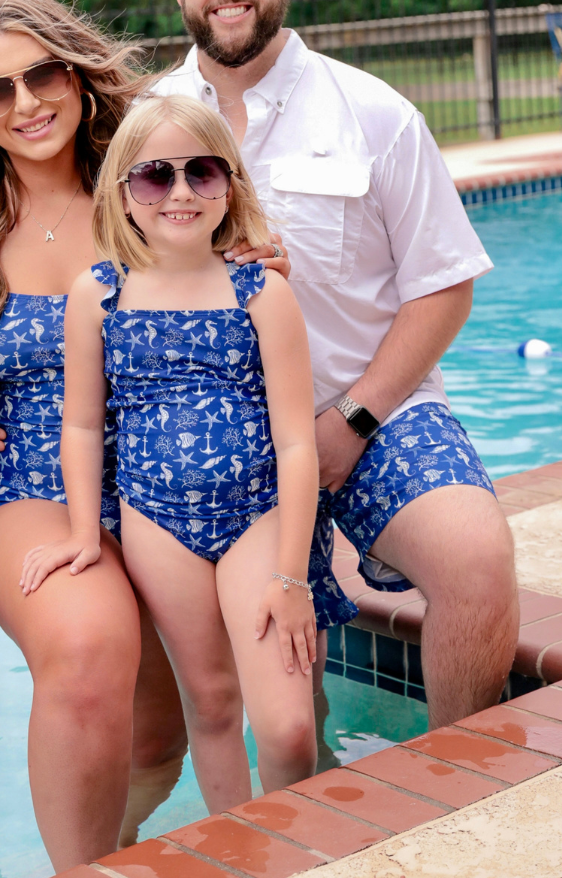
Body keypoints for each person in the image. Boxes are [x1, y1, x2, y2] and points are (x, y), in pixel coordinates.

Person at [0, 0, 289, 868]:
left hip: (164, 480)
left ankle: (117, 851)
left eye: (43, 76)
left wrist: (260, 259)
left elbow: (237, 292)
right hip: (31, 478)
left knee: (158, 740)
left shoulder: (157, 183)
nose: (26, 103)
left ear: (78, 76)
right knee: (85, 644)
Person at [151, 0, 518, 728]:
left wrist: (350, 420)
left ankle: (458, 781)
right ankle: (310, 812)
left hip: (368, 408)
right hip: (218, 434)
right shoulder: (145, 129)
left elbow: (444, 284)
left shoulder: (374, 113)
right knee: (284, 705)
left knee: (477, 562)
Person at [22, 95, 355, 806]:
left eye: (201, 173)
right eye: (154, 177)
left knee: (289, 726)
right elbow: (80, 425)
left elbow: (298, 443)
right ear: (124, 195)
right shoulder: (100, 294)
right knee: (209, 704)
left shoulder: (260, 292)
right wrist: (85, 530)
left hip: (258, 517)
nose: (179, 192)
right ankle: (249, 866)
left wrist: (292, 577)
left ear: (227, 185)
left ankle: (295, 846)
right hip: (155, 522)